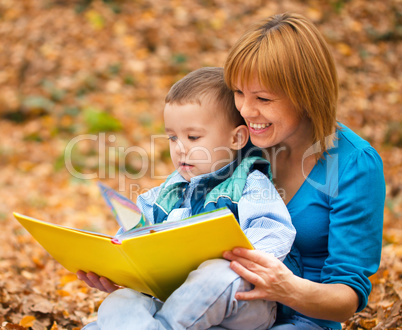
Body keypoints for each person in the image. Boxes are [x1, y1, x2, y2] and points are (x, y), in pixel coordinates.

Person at [79, 67, 296, 329]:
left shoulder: (250, 183)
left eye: (193, 137)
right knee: (120, 301)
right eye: (172, 137)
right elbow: (130, 240)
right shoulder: (162, 196)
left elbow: (275, 231)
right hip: (173, 299)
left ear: (236, 137)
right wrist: (115, 265)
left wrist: (236, 259)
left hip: (242, 301)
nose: (180, 148)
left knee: (216, 274)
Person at [222, 13, 386, 330]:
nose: (245, 110)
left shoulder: (354, 163)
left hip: (302, 321)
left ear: (306, 94)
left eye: (263, 98)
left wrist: (286, 288)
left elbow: (345, 300)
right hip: (224, 307)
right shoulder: (240, 142)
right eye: (238, 92)